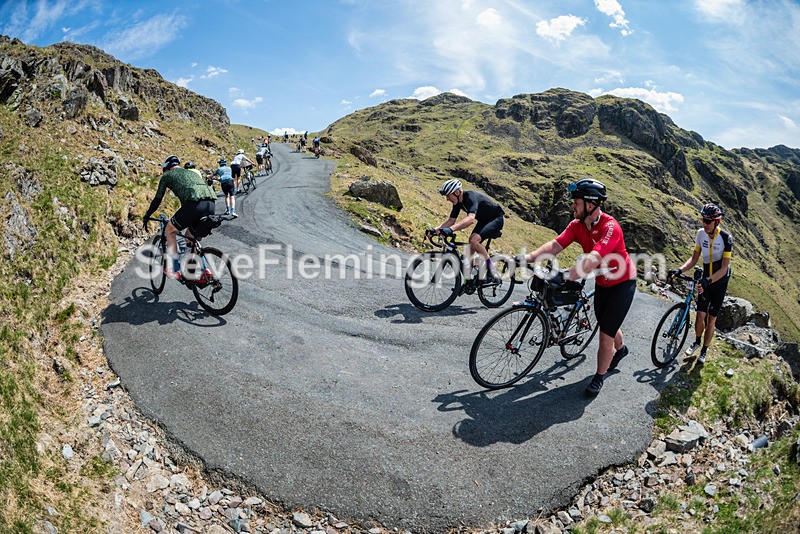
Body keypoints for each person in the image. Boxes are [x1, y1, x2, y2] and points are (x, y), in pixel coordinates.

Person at [517, 179, 636, 397]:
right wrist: (527, 258)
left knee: (605, 334)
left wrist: (563, 276)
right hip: (602, 282)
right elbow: (555, 245)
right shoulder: (577, 225)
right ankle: (622, 349)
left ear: (591, 204)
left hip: (622, 283)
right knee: (607, 322)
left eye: (576, 202)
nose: (572, 206)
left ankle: (599, 377)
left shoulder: (611, 227)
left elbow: (592, 260)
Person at [669, 203, 732, 364]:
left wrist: (708, 280)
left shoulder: (726, 238)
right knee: (699, 316)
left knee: (711, 319)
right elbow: (694, 258)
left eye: (708, 221)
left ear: (717, 222)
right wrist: (679, 270)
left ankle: (704, 350)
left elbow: (724, 268)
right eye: (703, 220)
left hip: (719, 281)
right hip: (706, 279)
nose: (704, 224)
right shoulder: (700, 234)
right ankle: (697, 341)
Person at [143, 155, 216, 279]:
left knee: (170, 231)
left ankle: (174, 270)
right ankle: (205, 270)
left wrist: (147, 215)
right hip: (211, 204)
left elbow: (157, 200)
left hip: (195, 205)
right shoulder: (190, 173)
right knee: (190, 237)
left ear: (166, 168)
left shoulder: (166, 176)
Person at [432, 179, 505, 281]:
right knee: (468, 252)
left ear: (457, 192)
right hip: (483, 220)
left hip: (496, 219)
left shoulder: (471, 196)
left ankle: (491, 269)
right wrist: (434, 230)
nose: (447, 199)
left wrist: (451, 230)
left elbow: (471, 219)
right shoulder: (457, 203)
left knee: (473, 240)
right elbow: (451, 220)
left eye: (448, 195)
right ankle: (470, 281)